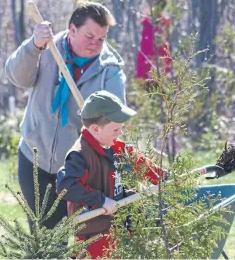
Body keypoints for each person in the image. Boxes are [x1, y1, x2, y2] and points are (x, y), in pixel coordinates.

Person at [5, 1, 127, 230]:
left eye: (101, 39)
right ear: (72, 29)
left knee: (81, 234)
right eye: (89, 36)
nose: (95, 45)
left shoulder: (110, 71)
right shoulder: (47, 48)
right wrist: (33, 46)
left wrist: (97, 120)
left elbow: (116, 120)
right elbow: (16, 77)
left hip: (77, 168)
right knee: (43, 231)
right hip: (34, 157)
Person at [56, 90, 166, 258]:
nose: (119, 134)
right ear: (95, 128)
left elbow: (143, 164)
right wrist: (100, 200)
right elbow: (66, 186)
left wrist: (165, 178)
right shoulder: (80, 155)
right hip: (93, 236)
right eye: (116, 130)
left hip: (119, 228)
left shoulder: (115, 147)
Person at [137, 0, 172, 80]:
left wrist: (149, 75)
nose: (141, 7)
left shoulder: (158, 27)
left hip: (153, 75)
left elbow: (159, 52)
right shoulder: (147, 25)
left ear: (153, 7)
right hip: (146, 72)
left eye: (144, 4)